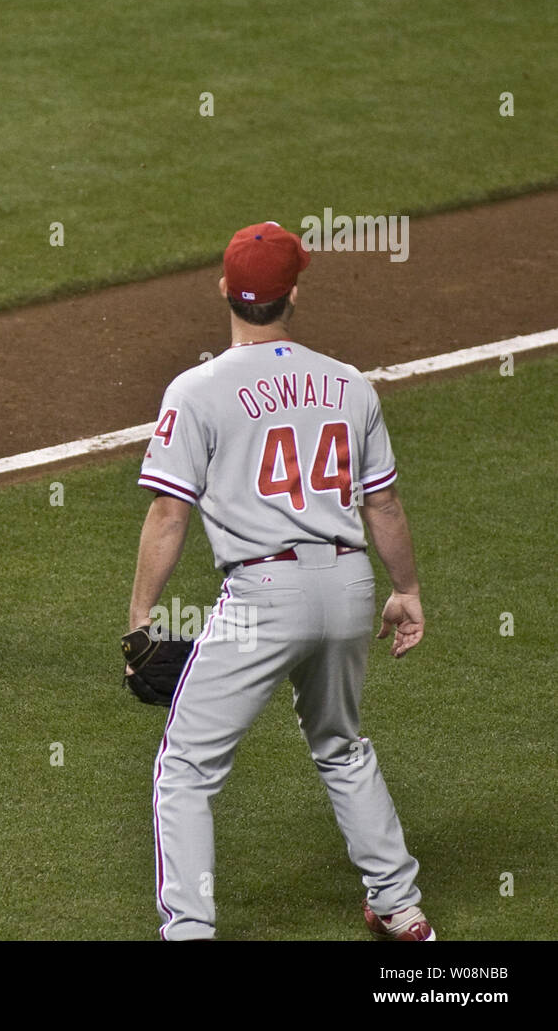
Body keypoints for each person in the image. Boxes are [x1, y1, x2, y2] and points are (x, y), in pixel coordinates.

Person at [128, 221, 433, 941]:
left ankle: (190, 929)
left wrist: (141, 617)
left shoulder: (197, 387)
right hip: (349, 584)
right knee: (341, 742)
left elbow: (171, 512)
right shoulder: (348, 383)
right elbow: (382, 502)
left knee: (186, 766)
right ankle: (399, 903)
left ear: (224, 291)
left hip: (262, 595)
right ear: (294, 293)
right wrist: (407, 590)